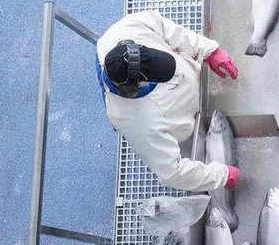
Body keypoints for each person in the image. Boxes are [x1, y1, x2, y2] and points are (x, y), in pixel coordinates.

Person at [95, 10, 240, 192]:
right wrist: (222, 176)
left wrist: (208, 51)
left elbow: (165, 28)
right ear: (135, 87)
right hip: (182, 124)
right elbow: (172, 173)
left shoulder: (125, 29)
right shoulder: (136, 122)